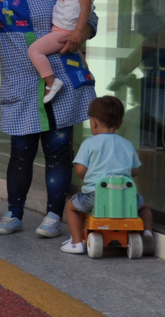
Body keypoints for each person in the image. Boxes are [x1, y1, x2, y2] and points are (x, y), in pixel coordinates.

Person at [0, 0, 98, 238]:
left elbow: (90, 18)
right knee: (21, 152)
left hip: (62, 79)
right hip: (21, 84)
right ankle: (14, 212)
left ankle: (54, 215)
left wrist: (81, 34)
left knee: (58, 152)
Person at [61, 96, 155, 255]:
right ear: (120, 124)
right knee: (144, 208)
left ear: (94, 122)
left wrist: (86, 176)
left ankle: (77, 242)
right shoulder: (127, 144)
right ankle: (147, 233)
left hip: (95, 195)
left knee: (71, 206)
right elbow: (136, 171)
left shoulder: (89, 143)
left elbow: (79, 170)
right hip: (126, 196)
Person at [28, 0, 100, 103]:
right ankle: (88, 74)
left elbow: (86, 10)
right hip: (62, 30)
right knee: (77, 55)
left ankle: (51, 82)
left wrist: (77, 32)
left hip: (63, 32)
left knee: (34, 51)